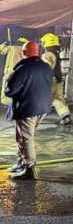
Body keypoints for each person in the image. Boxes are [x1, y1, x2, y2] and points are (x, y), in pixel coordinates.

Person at [4, 40, 54, 181]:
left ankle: (29, 168)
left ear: (24, 52)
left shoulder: (23, 68)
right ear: (37, 52)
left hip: (27, 108)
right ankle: (21, 161)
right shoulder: (46, 67)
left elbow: (10, 90)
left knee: (25, 138)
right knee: (22, 136)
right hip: (42, 107)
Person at [39, 33, 71, 125]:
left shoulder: (47, 55)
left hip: (50, 80)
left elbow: (46, 69)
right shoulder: (56, 54)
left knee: (42, 99)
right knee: (58, 98)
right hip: (58, 79)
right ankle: (65, 115)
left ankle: (34, 119)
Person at [0, 37, 28, 108]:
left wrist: (5, 44)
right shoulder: (26, 51)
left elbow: (2, 50)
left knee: (7, 86)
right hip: (20, 72)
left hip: (9, 72)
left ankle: (6, 102)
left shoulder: (12, 48)